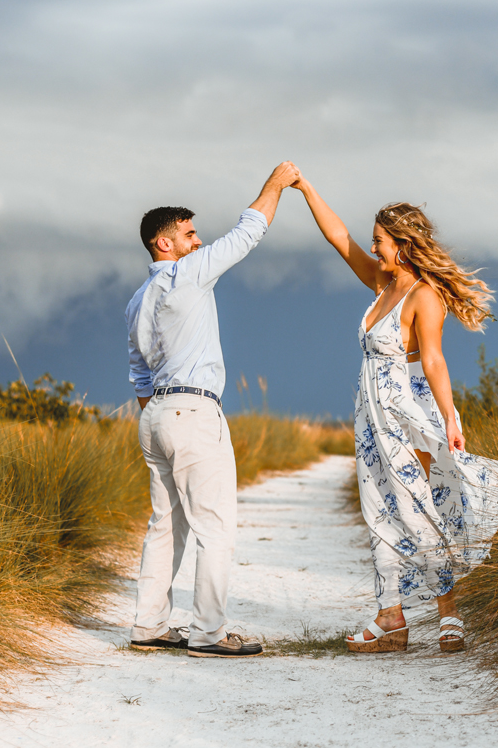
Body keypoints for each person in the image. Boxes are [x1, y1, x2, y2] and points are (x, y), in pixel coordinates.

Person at [292, 176, 498, 653]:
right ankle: (391, 618)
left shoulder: (423, 296)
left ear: (403, 246)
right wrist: (305, 190)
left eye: (380, 241)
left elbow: (433, 360)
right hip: (371, 419)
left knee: (415, 506)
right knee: (378, 509)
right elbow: (339, 238)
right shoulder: (382, 283)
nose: (373, 248)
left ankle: (450, 615)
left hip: (406, 412)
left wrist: (450, 417)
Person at [126, 161, 300, 658]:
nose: (198, 241)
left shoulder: (138, 299)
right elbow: (249, 232)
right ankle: (208, 634)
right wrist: (276, 184)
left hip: (155, 415)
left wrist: (159, 414)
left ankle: (149, 626)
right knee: (214, 526)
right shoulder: (189, 274)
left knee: (165, 526)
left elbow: (138, 373)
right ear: (165, 244)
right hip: (191, 412)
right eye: (189, 233)